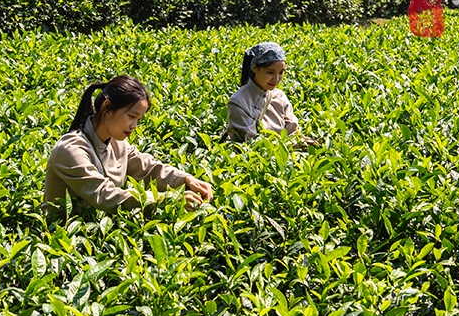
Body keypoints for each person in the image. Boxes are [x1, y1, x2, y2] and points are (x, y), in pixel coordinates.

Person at [44, 75, 213, 214]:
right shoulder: (71, 150)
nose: (134, 126)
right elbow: (105, 195)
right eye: (131, 116)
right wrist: (169, 199)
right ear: (107, 107)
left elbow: (149, 168)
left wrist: (186, 180)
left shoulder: (118, 144)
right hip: (61, 243)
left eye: (138, 119)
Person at [224, 41, 300, 142]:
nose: (276, 79)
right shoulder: (238, 102)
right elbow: (251, 144)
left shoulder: (279, 97)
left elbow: (293, 133)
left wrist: (302, 142)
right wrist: (291, 145)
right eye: (270, 72)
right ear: (255, 68)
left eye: (281, 72)